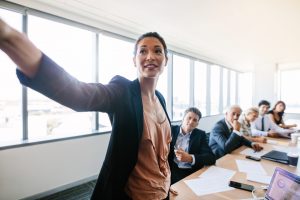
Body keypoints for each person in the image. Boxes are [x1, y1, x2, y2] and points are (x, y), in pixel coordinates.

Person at [0, 19, 172, 200]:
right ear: (134, 60)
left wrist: (167, 186)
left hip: (163, 191)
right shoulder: (122, 91)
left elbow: (163, 153)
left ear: (165, 60)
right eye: (143, 51)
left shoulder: (160, 99)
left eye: (157, 51)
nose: (150, 56)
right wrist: (9, 36)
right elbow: (79, 94)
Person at [169, 107, 215, 184]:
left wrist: (190, 158)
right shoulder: (170, 130)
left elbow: (211, 158)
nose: (191, 122)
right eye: (189, 118)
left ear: (197, 124)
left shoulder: (200, 135)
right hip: (171, 170)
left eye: (195, 120)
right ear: (183, 119)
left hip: (190, 172)